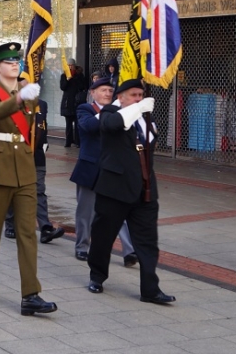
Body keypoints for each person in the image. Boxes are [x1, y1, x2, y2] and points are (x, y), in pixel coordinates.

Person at [0, 42, 57, 316]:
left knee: (26, 233)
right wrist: (19, 99)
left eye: (16, 61)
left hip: (24, 170)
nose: (14, 64)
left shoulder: (28, 93)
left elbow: (33, 129)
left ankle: (30, 294)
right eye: (8, 61)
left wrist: (26, 97)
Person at [86, 79, 174, 305]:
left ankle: (150, 290)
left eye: (140, 95)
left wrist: (142, 112)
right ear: (121, 97)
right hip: (114, 189)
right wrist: (138, 108)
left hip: (144, 190)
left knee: (147, 242)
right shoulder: (110, 112)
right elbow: (114, 124)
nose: (138, 99)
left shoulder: (145, 118)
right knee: (103, 237)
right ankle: (97, 276)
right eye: (133, 95)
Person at [72, 77, 136, 263]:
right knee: (86, 212)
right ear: (93, 93)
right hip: (91, 168)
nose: (107, 94)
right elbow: (88, 126)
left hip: (113, 170)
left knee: (119, 212)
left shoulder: (120, 112)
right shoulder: (85, 109)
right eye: (103, 90)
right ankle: (82, 246)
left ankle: (129, 251)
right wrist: (109, 112)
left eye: (110, 91)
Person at [4, 96, 66, 244]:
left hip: (37, 156)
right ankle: (11, 224)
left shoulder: (42, 105)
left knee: (38, 191)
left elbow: (43, 126)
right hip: (16, 154)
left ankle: (45, 228)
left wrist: (43, 145)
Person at [60, 58, 86, 147]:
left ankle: (78, 142)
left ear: (75, 66)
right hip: (68, 103)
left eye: (71, 65)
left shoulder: (79, 75)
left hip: (77, 102)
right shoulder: (64, 75)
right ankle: (68, 141)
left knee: (78, 123)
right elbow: (62, 87)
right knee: (68, 124)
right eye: (69, 65)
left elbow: (82, 86)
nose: (70, 67)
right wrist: (67, 79)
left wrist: (76, 78)